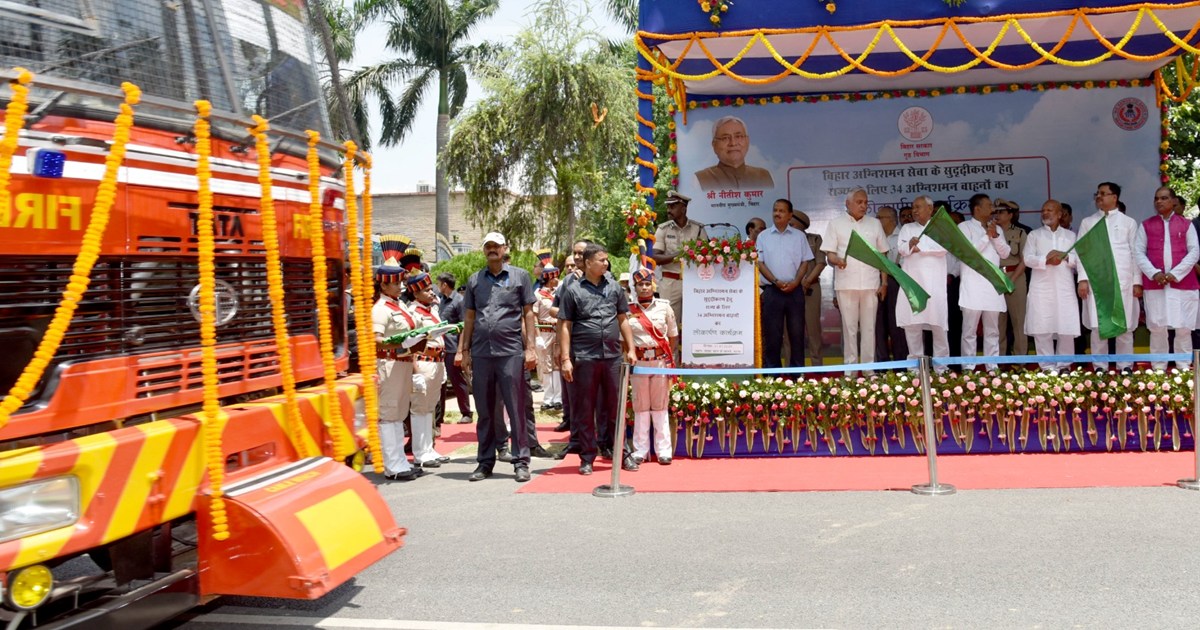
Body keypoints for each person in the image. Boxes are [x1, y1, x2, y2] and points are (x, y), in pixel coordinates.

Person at [456, 232, 538, 483]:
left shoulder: (520, 276)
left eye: (496, 246)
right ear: (484, 250)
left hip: (510, 352)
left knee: (515, 408)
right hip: (481, 353)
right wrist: (464, 350)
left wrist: (531, 348)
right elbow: (469, 317)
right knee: (485, 411)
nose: (492, 250)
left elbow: (529, 315)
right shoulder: (474, 280)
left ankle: (521, 461)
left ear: (505, 248)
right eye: (488, 246)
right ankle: (485, 462)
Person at [557, 243, 637, 475]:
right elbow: (565, 326)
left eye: (606, 260)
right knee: (584, 408)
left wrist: (630, 348)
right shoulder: (572, 290)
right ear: (589, 263)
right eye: (601, 260)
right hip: (584, 357)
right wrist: (565, 358)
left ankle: (622, 453)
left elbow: (622, 319)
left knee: (616, 407)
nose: (606, 263)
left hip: (611, 356)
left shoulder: (614, 288)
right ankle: (587, 457)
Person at [371, 254, 425, 481]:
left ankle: (400, 461)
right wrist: (401, 343)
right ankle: (393, 465)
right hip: (389, 363)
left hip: (402, 363)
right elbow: (376, 338)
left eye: (400, 281)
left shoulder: (399, 304)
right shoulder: (381, 308)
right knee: (389, 414)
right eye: (395, 282)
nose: (400, 286)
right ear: (383, 284)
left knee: (399, 414)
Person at [822, 188, 888, 371]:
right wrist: (837, 260)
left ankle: (869, 370)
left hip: (871, 284)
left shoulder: (875, 224)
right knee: (849, 329)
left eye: (866, 202)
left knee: (869, 329)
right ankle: (850, 371)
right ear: (848, 204)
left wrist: (884, 282)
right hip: (846, 283)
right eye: (859, 202)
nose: (863, 205)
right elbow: (829, 255)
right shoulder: (836, 224)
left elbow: (883, 254)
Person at [1077, 182, 1141, 371]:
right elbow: (1082, 253)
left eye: (1104, 193)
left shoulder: (1128, 222)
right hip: (1097, 283)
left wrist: (1137, 281)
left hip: (1123, 282)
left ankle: (1125, 366)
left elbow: (1135, 254)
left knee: (1124, 327)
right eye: (1097, 193)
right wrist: (1082, 279)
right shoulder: (1088, 223)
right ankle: (1099, 367)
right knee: (1098, 327)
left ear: (1115, 197)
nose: (1099, 197)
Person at [1134, 186, 1199, 370]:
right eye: (1156, 198)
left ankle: (1184, 368)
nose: (1159, 202)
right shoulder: (1146, 225)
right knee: (1157, 328)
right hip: (1156, 284)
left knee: (1184, 328)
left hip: (1183, 284)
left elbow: (1194, 251)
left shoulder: (1186, 224)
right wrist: (1155, 273)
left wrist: (1175, 274)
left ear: (1174, 201)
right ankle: (1158, 369)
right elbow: (1138, 252)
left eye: (1163, 198)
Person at [627, 267, 679, 465]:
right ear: (635, 287)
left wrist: (664, 356)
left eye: (648, 284)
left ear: (653, 285)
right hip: (639, 362)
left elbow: (673, 336)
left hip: (658, 362)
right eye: (641, 284)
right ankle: (640, 450)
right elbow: (625, 339)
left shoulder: (664, 307)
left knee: (659, 405)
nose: (645, 287)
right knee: (640, 406)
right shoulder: (628, 309)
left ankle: (664, 450)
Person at [757, 199, 814, 368]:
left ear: (790, 215)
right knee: (773, 335)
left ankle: (797, 375)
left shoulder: (799, 236)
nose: (777, 213)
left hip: (795, 291)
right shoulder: (763, 236)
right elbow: (759, 263)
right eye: (775, 210)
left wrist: (796, 282)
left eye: (782, 211)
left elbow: (805, 262)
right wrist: (775, 281)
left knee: (796, 334)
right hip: (772, 291)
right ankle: (773, 375)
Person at [1023, 200, 1079, 373]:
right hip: (1042, 288)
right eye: (1043, 210)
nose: (1045, 213)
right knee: (1042, 327)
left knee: (1066, 327)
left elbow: (1080, 261)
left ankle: (1064, 366)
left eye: (1050, 210)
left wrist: (1065, 256)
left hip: (1064, 288)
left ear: (1060, 214)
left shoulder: (1070, 236)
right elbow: (1027, 259)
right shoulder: (1034, 235)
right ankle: (1047, 367)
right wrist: (1046, 260)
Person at [896, 196, 950, 368]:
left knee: (939, 327)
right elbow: (901, 249)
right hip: (912, 285)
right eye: (913, 207)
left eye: (918, 207)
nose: (914, 210)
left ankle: (942, 370)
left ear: (930, 208)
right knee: (913, 327)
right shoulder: (907, 228)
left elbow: (944, 248)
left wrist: (920, 249)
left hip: (934, 286)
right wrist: (910, 245)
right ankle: (914, 370)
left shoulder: (941, 227)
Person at [958, 193, 1011, 371]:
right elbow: (968, 254)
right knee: (969, 331)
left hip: (992, 286)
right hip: (972, 286)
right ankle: (968, 368)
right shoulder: (964, 227)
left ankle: (992, 366)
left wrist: (995, 236)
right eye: (989, 205)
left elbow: (1005, 254)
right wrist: (986, 237)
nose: (993, 209)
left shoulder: (997, 228)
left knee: (993, 330)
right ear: (977, 209)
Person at [405, 271, 451, 468]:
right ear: (415, 294)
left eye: (431, 289)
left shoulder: (431, 309)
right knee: (419, 408)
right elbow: (410, 344)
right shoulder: (412, 312)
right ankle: (420, 452)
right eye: (426, 290)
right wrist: (415, 372)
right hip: (423, 361)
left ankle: (428, 449)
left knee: (430, 408)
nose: (432, 293)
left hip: (437, 361)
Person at [652, 190, 709, 325]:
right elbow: (655, 258)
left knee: (696, 322)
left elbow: (708, 257)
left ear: (683, 208)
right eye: (668, 206)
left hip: (695, 282)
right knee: (670, 325)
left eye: (673, 206)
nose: (668, 210)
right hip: (670, 283)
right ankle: (672, 347)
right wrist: (679, 255)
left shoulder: (698, 229)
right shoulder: (662, 229)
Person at [694, 116, 775, 190]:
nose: (733, 143)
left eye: (738, 136)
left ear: (747, 141)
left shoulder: (763, 176)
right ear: (714, 145)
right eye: (725, 138)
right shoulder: (701, 178)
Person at [994, 199, 1029, 358]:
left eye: (1001, 212)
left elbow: (1025, 260)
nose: (998, 215)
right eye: (996, 212)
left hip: (1016, 277)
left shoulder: (1020, 233)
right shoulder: (991, 232)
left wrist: (1012, 280)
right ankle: (999, 360)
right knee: (997, 323)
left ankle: (1020, 360)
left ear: (1010, 214)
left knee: (1019, 321)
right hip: (996, 278)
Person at [437, 273, 472, 424]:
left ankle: (466, 412)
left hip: (453, 346)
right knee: (441, 382)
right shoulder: (441, 300)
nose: (438, 286)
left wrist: (460, 351)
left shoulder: (459, 300)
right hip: (441, 345)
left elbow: (464, 326)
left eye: (439, 283)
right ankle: (439, 417)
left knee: (458, 380)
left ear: (444, 284)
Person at [792, 211, 826, 366]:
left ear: (800, 223)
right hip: (789, 290)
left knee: (813, 329)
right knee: (790, 332)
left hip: (811, 289)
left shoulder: (814, 239)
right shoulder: (783, 240)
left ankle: (817, 366)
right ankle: (791, 368)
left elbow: (821, 262)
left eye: (792, 221)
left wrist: (807, 281)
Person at [874, 205, 908, 361]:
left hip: (897, 282)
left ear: (891, 219)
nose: (877, 221)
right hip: (877, 281)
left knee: (897, 324)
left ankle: (901, 363)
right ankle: (882, 364)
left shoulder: (903, 235)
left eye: (880, 217)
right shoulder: (874, 237)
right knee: (879, 325)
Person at [534, 265, 562, 410]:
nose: (557, 279)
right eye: (555, 276)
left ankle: (558, 398)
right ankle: (548, 398)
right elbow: (533, 317)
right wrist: (537, 337)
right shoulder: (538, 295)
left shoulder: (560, 293)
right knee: (546, 365)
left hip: (558, 331)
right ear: (549, 279)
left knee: (558, 363)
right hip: (544, 331)